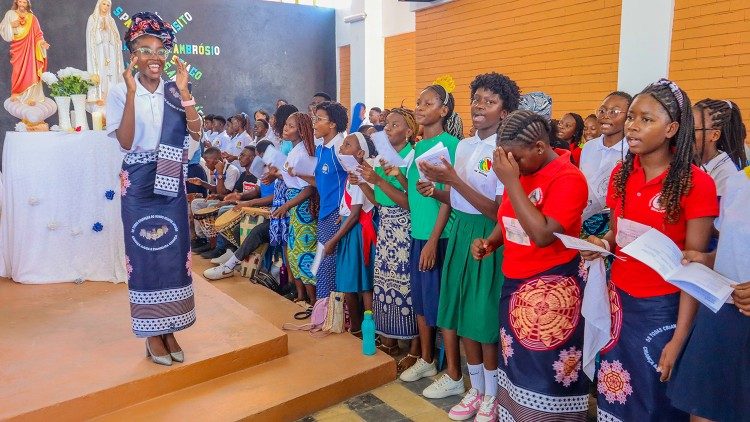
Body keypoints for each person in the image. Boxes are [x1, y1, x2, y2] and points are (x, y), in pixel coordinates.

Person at [582, 79, 718, 421]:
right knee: (615, 391)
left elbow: (694, 267)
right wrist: (602, 243)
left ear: (672, 128)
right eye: (632, 117)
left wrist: (680, 338)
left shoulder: (695, 183)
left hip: (664, 310)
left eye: (646, 119)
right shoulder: (620, 175)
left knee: (653, 399)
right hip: (619, 301)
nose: (632, 125)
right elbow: (618, 231)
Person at [472, 110, 590, 420]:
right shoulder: (521, 171)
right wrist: (491, 242)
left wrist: (511, 182)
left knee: (544, 375)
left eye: (518, 159)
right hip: (515, 285)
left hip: (552, 291)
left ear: (540, 147)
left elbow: (541, 234)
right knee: (516, 369)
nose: (514, 166)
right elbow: (509, 217)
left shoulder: (569, 178)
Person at [417, 72, 518, 421]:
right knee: (460, 313)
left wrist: (454, 180)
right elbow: (461, 198)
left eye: (490, 102)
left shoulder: (504, 151)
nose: (479, 106)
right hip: (460, 231)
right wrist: (439, 189)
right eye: (477, 99)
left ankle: (492, 395)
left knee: (482, 318)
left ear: (504, 112)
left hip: (487, 237)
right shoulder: (464, 145)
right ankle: (475, 389)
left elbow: (499, 211)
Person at [106, 11, 201, 366]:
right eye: (145, 49)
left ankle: (170, 327)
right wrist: (131, 93)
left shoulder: (176, 91)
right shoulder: (119, 91)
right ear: (133, 55)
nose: (154, 57)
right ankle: (151, 334)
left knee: (173, 256)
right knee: (144, 257)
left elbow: (196, 134)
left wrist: (187, 92)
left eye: (160, 49)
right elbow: (127, 142)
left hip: (171, 179)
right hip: (138, 183)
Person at [667, 166, 749, 422]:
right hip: (724, 313)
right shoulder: (740, 181)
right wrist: (705, 259)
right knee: (705, 412)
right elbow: (732, 247)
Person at [406, 80, 464, 399]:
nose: (420, 107)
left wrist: (432, 239)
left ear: (443, 111)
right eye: (418, 102)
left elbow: (449, 197)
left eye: (427, 103)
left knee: (442, 306)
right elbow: (415, 197)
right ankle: (427, 360)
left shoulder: (451, 145)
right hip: (418, 234)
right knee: (422, 303)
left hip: (438, 237)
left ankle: (454, 373)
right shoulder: (416, 147)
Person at [357, 107, 419, 364]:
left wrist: (379, 180)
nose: (388, 128)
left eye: (395, 124)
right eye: (387, 124)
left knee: (407, 287)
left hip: (404, 227)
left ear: (409, 131)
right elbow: (378, 201)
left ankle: (415, 348)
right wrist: (362, 180)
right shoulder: (383, 158)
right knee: (385, 284)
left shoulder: (410, 157)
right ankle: (390, 339)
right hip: (386, 225)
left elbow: (409, 202)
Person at [296, 101, 349, 300]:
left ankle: (332, 314)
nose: (314, 123)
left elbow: (356, 183)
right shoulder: (321, 149)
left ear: (333, 124)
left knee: (329, 264)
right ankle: (323, 311)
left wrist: (346, 211)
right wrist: (298, 174)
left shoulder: (341, 149)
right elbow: (321, 181)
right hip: (325, 213)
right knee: (321, 264)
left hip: (337, 214)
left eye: (319, 119)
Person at [328, 132, 378, 334]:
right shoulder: (353, 172)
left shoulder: (358, 172)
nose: (341, 148)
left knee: (357, 282)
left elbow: (356, 212)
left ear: (359, 153)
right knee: (359, 282)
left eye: (347, 145)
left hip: (356, 232)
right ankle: (363, 328)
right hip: (350, 227)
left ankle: (361, 328)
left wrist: (334, 239)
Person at [273, 112, 319, 308]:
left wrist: (287, 205)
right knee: (293, 251)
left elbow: (308, 187)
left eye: (291, 126)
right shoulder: (293, 150)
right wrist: (277, 176)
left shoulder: (304, 153)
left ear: (301, 131)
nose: (286, 128)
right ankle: (301, 296)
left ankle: (314, 301)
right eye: (286, 124)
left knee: (304, 253)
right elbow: (293, 179)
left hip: (302, 207)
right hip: (293, 203)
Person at [578, 91, 632, 239]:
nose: (605, 116)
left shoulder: (632, 151)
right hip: (585, 218)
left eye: (614, 111)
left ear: (629, 117)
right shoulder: (589, 147)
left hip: (614, 223)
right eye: (602, 110)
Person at [692, 99, 747, 197]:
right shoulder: (693, 162)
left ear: (714, 135)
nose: (684, 135)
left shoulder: (727, 176)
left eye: (693, 129)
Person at [0, 0, 50, 104]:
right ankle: (17, 93)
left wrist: (42, 43)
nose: (22, 4)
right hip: (18, 48)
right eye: (20, 2)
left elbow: (38, 34)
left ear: (27, 4)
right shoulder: (10, 14)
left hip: (31, 49)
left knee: (31, 70)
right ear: (16, 2)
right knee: (17, 70)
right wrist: (11, 25)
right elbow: (2, 28)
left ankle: (32, 96)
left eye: (24, 2)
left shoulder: (32, 18)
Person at [86, 0, 123, 102]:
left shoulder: (111, 20)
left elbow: (116, 37)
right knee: (101, 71)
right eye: (104, 4)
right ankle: (100, 95)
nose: (106, 7)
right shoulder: (93, 19)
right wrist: (100, 30)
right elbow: (90, 37)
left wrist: (110, 34)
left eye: (108, 5)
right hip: (99, 51)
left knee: (111, 73)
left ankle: (112, 96)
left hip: (110, 51)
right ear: (99, 4)